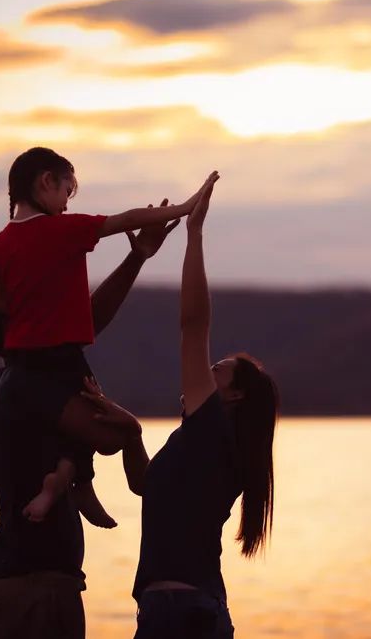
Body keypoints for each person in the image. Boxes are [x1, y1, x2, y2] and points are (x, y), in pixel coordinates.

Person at [0, 146, 216, 639]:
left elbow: (70, 317)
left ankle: (77, 483)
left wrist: (136, 256)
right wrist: (185, 208)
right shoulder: (25, 384)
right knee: (94, 399)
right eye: (66, 191)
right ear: (46, 183)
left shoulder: (4, 251)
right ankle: (76, 485)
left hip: (39, 584)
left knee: (85, 394)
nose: (67, 202)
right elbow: (108, 434)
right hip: (32, 592)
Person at [81, 180, 280, 638]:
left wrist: (194, 234)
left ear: (233, 396)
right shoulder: (200, 443)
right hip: (177, 609)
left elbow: (194, 325)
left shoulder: (213, 431)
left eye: (218, 370)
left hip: (181, 613)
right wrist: (132, 434)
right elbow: (147, 486)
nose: (206, 372)